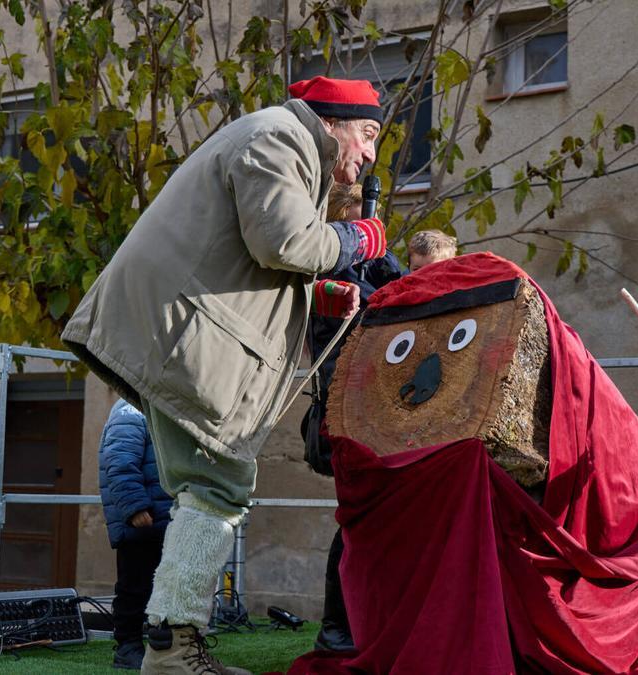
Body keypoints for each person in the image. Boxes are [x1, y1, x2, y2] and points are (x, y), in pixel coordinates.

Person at [62, 76, 387, 675]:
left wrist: (317, 297)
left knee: (205, 485)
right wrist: (357, 238)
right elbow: (284, 242)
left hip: (173, 328)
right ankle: (173, 648)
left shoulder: (277, 139)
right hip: (179, 334)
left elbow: (246, 258)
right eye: (366, 134)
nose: (369, 154)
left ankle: (170, 642)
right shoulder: (280, 137)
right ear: (331, 121)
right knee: (217, 486)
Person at [301, 182, 404, 653]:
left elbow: (402, 288)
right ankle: (336, 628)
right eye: (360, 223)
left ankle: (365, 623)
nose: (369, 231)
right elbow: (372, 306)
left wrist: (382, 257)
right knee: (358, 518)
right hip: (347, 415)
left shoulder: (373, 265)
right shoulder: (324, 276)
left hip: (380, 411)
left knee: (380, 518)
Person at [99, 399, 174, 669]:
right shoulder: (130, 409)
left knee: (167, 586)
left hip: (165, 517)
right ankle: (128, 647)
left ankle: (165, 648)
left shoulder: (161, 405)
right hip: (142, 520)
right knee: (134, 587)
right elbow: (119, 461)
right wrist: (135, 508)